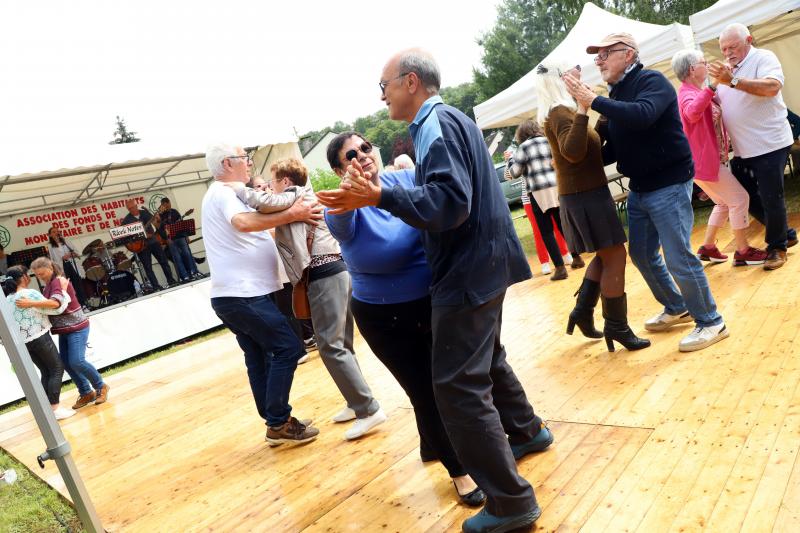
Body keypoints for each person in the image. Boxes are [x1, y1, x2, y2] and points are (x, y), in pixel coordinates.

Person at [318, 49, 550, 533]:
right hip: (482, 266)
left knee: (458, 388)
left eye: (383, 86)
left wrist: (379, 195)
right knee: (485, 364)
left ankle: (510, 502)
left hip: (467, 272)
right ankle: (528, 433)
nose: (381, 96)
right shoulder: (448, 121)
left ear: (409, 82)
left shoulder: (433, 125)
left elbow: (449, 202)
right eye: (351, 154)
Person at [324, 131, 486, 506]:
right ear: (338, 169)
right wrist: (351, 195)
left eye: (365, 148)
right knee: (426, 393)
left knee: (447, 383)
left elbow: (439, 204)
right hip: (384, 317)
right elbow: (343, 226)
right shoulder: (341, 206)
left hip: (432, 302)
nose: (362, 155)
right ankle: (459, 471)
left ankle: (431, 444)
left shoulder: (403, 180)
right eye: (351, 154)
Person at [565, 33, 729, 352]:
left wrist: (593, 100)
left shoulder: (651, 81)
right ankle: (676, 305)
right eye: (595, 56)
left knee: (678, 255)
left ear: (628, 55)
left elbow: (642, 116)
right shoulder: (615, 94)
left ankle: (711, 321)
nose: (598, 60)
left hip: (668, 182)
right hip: (640, 187)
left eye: (604, 54)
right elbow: (610, 150)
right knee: (640, 253)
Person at [233, 158, 387, 441]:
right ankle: (357, 403)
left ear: (286, 182)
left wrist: (235, 189)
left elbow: (261, 202)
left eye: (274, 181)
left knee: (330, 346)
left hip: (324, 274)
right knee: (342, 345)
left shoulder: (293, 196)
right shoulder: (299, 198)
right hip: (334, 273)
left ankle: (368, 409)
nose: (270, 186)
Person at [201, 143, 321, 446]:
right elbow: (242, 223)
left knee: (259, 357)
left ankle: (275, 420)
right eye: (245, 159)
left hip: (239, 294)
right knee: (288, 348)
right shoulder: (224, 193)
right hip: (244, 294)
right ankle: (279, 421)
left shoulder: (225, 194)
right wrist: (292, 212)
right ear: (229, 163)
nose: (250, 163)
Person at [536, 61, 650, 352]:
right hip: (584, 196)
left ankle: (583, 311)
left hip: (586, 193)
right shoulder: (561, 113)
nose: (577, 76)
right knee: (615, 257)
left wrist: (599, 113)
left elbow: (587, 150)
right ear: (558, 81)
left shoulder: (564, 111)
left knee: (605, 255)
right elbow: (572, 152)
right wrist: (584, 110)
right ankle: (617, 327)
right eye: (570, 74)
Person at [709, 23, 796, 270]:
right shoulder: (727, 70)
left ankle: (777, 247)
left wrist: (732, 80)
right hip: (744, 148)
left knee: (771, 196)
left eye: (732, 46)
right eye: (723, 48)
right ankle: (786, 233)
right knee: (742, 195)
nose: (727, 52)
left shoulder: (763, 57)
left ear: (748, 40)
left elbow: (771, 87)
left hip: (770, 142)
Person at [671, 49, 767, 267]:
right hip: (704, 162)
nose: (707, 65)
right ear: (692, 69)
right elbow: (692, 113)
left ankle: (708, 248)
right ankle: (743, 251)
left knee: (723, 203)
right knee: (740, 199)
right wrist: (714, 85)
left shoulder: (697, 90)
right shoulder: (686, 93)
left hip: (702, 162)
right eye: (704, 62)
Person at [23, 257, 109, 409]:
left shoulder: (57, 281)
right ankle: (86, 392)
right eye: (36, 275)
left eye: (41, 273)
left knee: (76, 361)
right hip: (66, 329)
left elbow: (56, 303)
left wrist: (30, 304)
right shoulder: (50, 283)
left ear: (50, 268)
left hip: (76, 327)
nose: (39, 277)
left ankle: (101, 386)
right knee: (67, 364)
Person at [508, 119, 585, 281]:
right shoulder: (549, 141)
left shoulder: (523, 147)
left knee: (547, 231)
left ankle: (559, 268)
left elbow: (515, 172)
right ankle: (577, 258)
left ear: (522, 134)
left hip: (537, 192)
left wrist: (510, 161)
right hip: (556, 188)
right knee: (563, 225)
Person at [3, 266, 75, 420]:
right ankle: (54, 408)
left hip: (25, 342)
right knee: (56, 368)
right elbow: (55, 308)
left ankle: (47, 410)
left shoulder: (7, 299)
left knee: (45, 371)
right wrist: (63, 291)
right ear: (23, 277)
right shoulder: (29, 294)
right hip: (40, 337)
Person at [122, 199, 177, 290]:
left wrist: (158, 220)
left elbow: (156, 224)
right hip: (141, 247)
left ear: (136, 205)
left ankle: (171, 281)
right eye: (129, 208)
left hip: (153, 242)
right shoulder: (126, 221)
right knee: (148, 268)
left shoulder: (145, 213)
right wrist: (140, 236)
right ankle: (156, 286)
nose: (131, 209)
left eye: (133, 207)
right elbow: (126, 238)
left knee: (164, 261)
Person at [158, 197, 201, 282]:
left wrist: (186, 236)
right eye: (165, 206)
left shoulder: (175, 212)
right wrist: (167, 238)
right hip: (171, 239)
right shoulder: (161, 215)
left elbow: (182, 224)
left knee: (187, 254)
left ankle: (194, 272)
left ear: (169, 203)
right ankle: (184, 276)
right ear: (162, 205)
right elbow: (161, 228)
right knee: (177, 258)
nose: (167, 207)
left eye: (168, 205)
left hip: (180, 236)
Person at [47, 226, 88, 308]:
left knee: (78, 284)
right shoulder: (50, 246)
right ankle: (73, 306)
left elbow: (76, 252)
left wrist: (69, 255)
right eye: (54, 232)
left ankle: (83, 304)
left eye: (57, 231)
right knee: (67, 287)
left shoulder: (66, 241)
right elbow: (51, 260)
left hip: (71, 264)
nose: (56, 233)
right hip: (61, 267)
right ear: (50, 235)